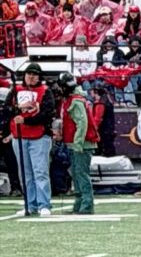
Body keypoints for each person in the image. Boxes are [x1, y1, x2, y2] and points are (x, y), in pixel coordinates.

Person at [9, 66, 53, 218]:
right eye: (29, 74)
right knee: (25, 173)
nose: (32, 77)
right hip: (19, 136)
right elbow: (7, 109)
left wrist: (27, 120)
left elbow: (47, 114)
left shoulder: (46, 92)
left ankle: (44, 204)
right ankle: (30, 203)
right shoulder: (15, 90)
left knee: (40, 171)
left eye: (35, 75)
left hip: (39, 136)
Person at [54, 76, 95, 215]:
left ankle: (86, 204)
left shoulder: (76, 101)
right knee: (77, 175)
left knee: (81, 174)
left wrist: (78, 143)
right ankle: (80, 203)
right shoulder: (73, 99)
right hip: (75, 143)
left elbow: (82, 124)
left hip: (81, 144)